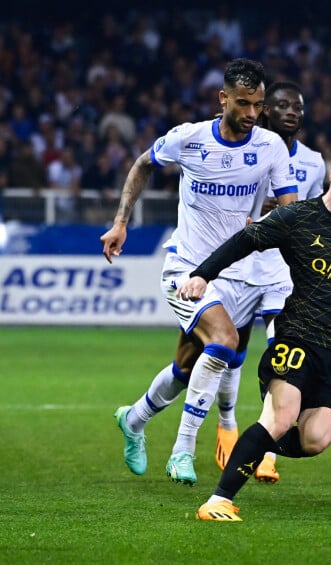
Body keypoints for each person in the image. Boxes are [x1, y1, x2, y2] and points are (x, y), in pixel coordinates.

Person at [100, 58, 298, 485]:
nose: (251, 114)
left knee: (188, 367)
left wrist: (269, 225)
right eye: (243, 104)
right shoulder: (189, 139)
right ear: (222, 98)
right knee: (224, 341)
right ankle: (182, 450)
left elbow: (290, 209)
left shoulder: (270, 147)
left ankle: (133, 419)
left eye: (258, 105)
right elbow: (142, 165)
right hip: (186, 270)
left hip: (238, 275)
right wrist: (121, 222)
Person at [174, 140, 331, 522]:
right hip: (299, 337)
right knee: (282, 416)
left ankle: (259, 440)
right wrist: (203, 274)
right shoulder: (298, 218)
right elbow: (245, 240)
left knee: (315, 439)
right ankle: (218, 500)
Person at [227, 80, 326, 483]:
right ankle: (225, 424)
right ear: (266, 110)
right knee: (226, 353)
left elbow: (317, 213)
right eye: (282, 105)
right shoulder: (250, 149)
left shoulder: (315, 162)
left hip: (283, 271)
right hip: (241, 265)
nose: (291, 112)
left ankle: (266, 445)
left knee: (281, 356)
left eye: (298, 107)